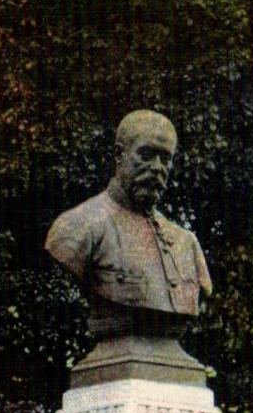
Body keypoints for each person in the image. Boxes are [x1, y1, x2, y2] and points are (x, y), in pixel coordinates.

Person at [45, 110, 212, 339]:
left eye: (165, 158)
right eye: (146, 154)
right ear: (119, 154)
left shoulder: (187, 242)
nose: (157, 167)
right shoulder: (78, 225)